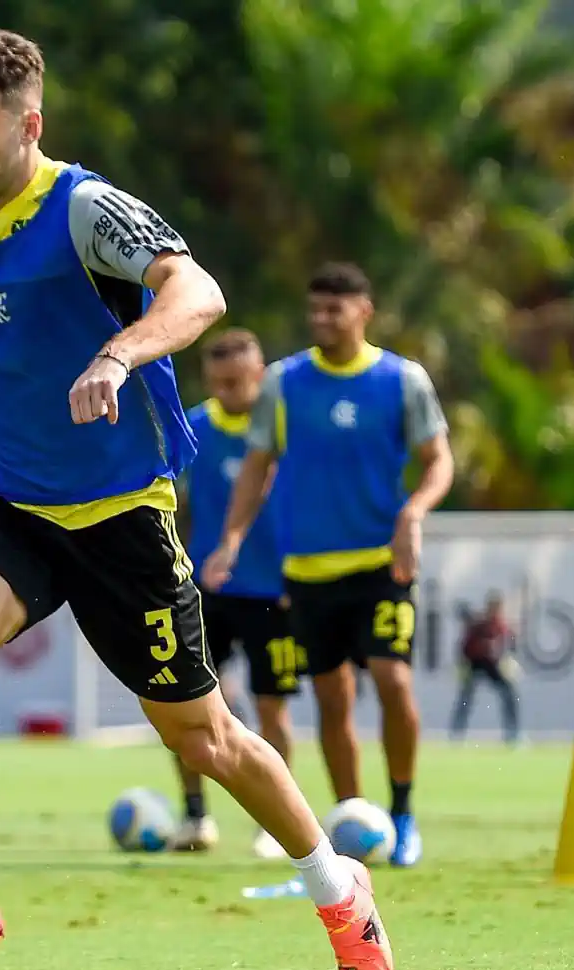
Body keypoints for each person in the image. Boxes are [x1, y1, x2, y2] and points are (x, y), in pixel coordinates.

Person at [0, 30, 392, 970]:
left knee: (205, 738)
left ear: (30, 124)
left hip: (120, 517)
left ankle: (336, 886)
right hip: (12, 502)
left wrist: (119, 355)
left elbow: (198, 290)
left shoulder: (86, 211)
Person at [204, 262, 453, 869]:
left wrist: (413, 514)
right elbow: (257, 467)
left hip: (378, 566)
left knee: (393, 681)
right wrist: (231, 539)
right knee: (332, 700)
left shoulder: (402, 381)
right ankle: (352, 817)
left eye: (333, 310)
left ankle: (401, 811)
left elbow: (438, 460)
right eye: (313, 310)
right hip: (308, 571)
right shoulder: (285, 384)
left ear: (364, 312)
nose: (320, 320)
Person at [169, 329, 298, 859]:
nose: (230, 391)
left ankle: (274, 822)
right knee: (184, 708)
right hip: (205, 589)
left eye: (240, 380)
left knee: (273, 712)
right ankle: (196, 816)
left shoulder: (288, 429)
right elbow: (169, 500)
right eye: (220, 382)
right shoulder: (193, 428)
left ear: (260, 373)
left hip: (274, 591)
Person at [450, 591, 522, 744]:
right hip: (475, 664)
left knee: (509, 694)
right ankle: (456, 732)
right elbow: (464, 647)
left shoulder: (501, 625)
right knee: (465, 699)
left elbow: (510, 645)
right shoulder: (478, 624)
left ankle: (513, 733)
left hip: (492, 664)